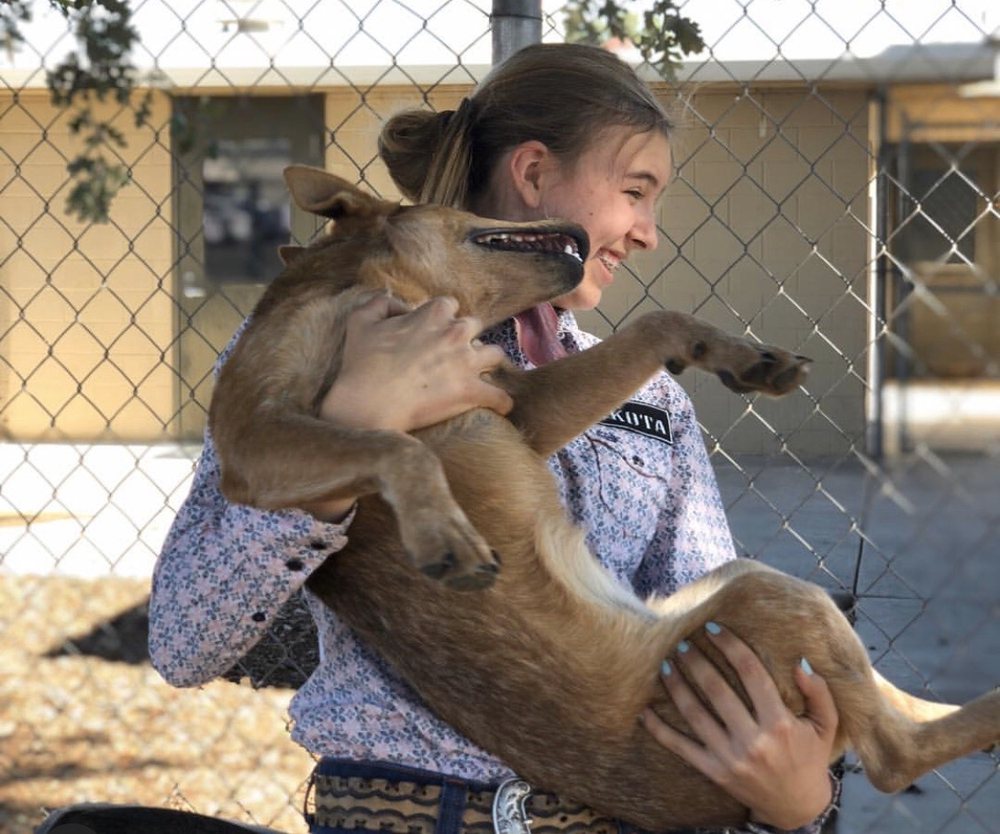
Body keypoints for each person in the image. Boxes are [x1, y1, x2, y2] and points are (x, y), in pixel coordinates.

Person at [149, 42, 840, 834]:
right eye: (635, 191)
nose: (649, 232)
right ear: (536, 173)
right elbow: (184, 639)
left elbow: (717, 654)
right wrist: (351, 437)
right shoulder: (327, 335)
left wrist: (800, 810)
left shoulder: (650, 395)